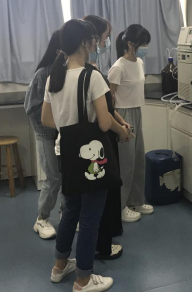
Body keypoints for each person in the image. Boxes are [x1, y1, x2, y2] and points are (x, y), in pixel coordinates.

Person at [42, 19, 121, 293]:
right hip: (91, 157)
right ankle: (83, 279)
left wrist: (69, 126)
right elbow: (104, 122)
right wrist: (121, 130)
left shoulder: (54, 77)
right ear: (85, 43)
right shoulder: (92, 77)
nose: (97, 44)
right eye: (95, 40)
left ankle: (59, 266)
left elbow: (46, 119)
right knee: (90, 218)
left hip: (66, 152)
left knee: (70, 212)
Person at [84, 15, 130, 260]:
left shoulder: (91, 70)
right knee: (103, 192)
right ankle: (103, 245)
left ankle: (103, 237)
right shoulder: (89, 73)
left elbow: (108, 106)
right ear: (92, 40)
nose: (106, 43)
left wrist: (120, 121)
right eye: (104, 38)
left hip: (99, 136)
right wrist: (120, 130)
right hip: (100, 138)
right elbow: (103, 116)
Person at [108, 24, 154, 223]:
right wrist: (119, 124)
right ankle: (120, 206)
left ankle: (136, 200)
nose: (145, 47)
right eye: (142, 43)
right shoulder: (118, 67)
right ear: (129, 44)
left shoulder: (140, 63)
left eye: (146, 43)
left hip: (137, 111)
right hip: (123, 115)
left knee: (138, 160)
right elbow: (109, 101)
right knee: (125, 164)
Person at [25, 30, 64, 240]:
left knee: (68, 177)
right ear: (58, 50)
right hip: (46, 133)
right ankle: (42, 219)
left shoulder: (72, 72)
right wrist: (53, 120)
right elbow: (31, 107)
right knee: (53, 178)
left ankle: (66, 214)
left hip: (66, 133)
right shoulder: (43, 74)